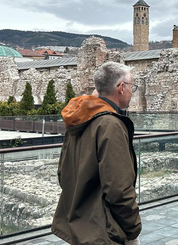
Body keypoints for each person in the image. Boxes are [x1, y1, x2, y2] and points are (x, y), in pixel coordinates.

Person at [52, 62, 141, 245]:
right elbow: (119, 189)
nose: (133, 91)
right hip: (103, 232)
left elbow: (63, 173)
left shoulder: (78, 119)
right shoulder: (111, 124)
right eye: (132, 86)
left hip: (78, 227)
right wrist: (133, 229)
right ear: (121, 88)